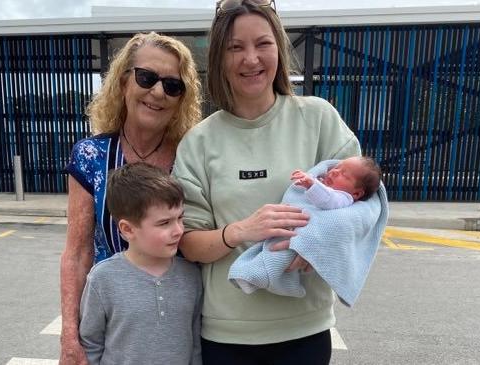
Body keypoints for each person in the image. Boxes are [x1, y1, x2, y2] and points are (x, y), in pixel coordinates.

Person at [171, 0, 361, 363]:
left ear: (279, 48)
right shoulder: (199, 142)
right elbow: (189, 243)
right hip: (227, 333)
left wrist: (318, 240)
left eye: (263, 44)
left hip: (305, 327)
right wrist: (239, 231)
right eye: (235, 48)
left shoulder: (319, 119)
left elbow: (364, 204)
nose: (251, 59)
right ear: (219, 59)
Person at [60, 32, 202, 365]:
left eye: (172, 85)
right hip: (117, 324)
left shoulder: (193, 156)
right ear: (124, 82)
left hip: (178, 322)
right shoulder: (91, 156)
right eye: (147, 77)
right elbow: (77, 252)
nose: (157, 92)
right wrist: (70, 335)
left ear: (182, 98)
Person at [79, 162, 202, 365]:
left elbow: (195, 346)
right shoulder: (103, 279)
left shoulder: (192, 275)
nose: (179, 230)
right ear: (127, 229)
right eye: (164, 223)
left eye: (180, 218)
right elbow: (91, 344)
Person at [228, 157, 387, 306]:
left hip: (305, 232)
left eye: (344, 175)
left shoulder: (344, 198)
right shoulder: (326, 184)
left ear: (356, 193)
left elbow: (327, 200)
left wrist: (311, 183)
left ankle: (254, 276)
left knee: (280, 254)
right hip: (292, 225)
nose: (334, 171)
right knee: (271, 248)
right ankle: (259, 275)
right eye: (337, 167)